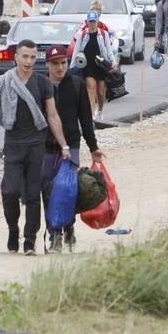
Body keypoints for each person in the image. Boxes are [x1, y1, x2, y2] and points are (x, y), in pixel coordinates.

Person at [0, 39, 70, 255]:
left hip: (36, 146)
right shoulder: (5, 82)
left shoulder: (43, 83)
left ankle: (29, 240)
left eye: (33, 57)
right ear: (16, 57)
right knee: (9, 191)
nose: (28, 61)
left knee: (34, 195)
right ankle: (13, 229)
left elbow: (52, 116)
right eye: (24, 56)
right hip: (13, 146)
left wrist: (64, 144)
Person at [42, 44, 102, 253]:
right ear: (47, 64)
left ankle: (68, 227)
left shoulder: (76, 84)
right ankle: (54, 236)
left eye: (63, 63)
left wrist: (93, 147)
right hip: (46, 148)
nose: (60, 68)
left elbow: (86, 119)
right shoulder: (41, 86)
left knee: (67, 190)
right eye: (55, 64)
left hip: (71, 146)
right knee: (48, 192)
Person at [68, 4, 118, 120]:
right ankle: (91, 115)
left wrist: (114, 63)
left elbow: (109, 51)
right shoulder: (83, 34)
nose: (92, 24)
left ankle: (100, 110)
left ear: (97, 21)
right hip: (88, 66)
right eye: (90, 21)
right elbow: (76, 52)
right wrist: (71, 68)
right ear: (87, 22)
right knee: (91, 89)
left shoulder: (103, 34)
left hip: (100, 65)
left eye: (94, 21)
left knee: (101, 92)